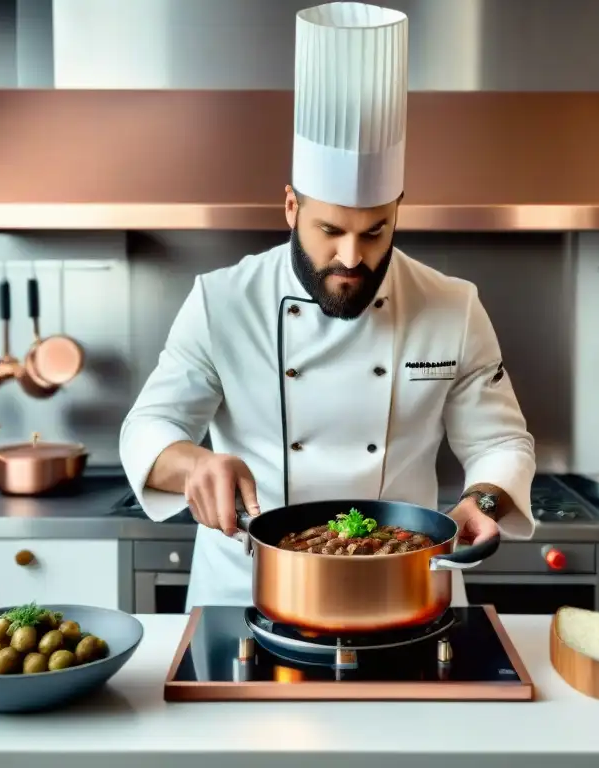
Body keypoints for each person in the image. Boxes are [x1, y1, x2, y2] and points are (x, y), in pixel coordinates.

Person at [119, 1, 537, 610]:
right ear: (291, 207)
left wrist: (487, 499)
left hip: (409, 590)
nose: (351, 257)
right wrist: (192, 467)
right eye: (329, 230)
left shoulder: (453, 307)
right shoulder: (221, 302)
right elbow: (146, 429)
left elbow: (503, 444)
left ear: (397, 212)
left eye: (375, 232)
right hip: (248, 593)